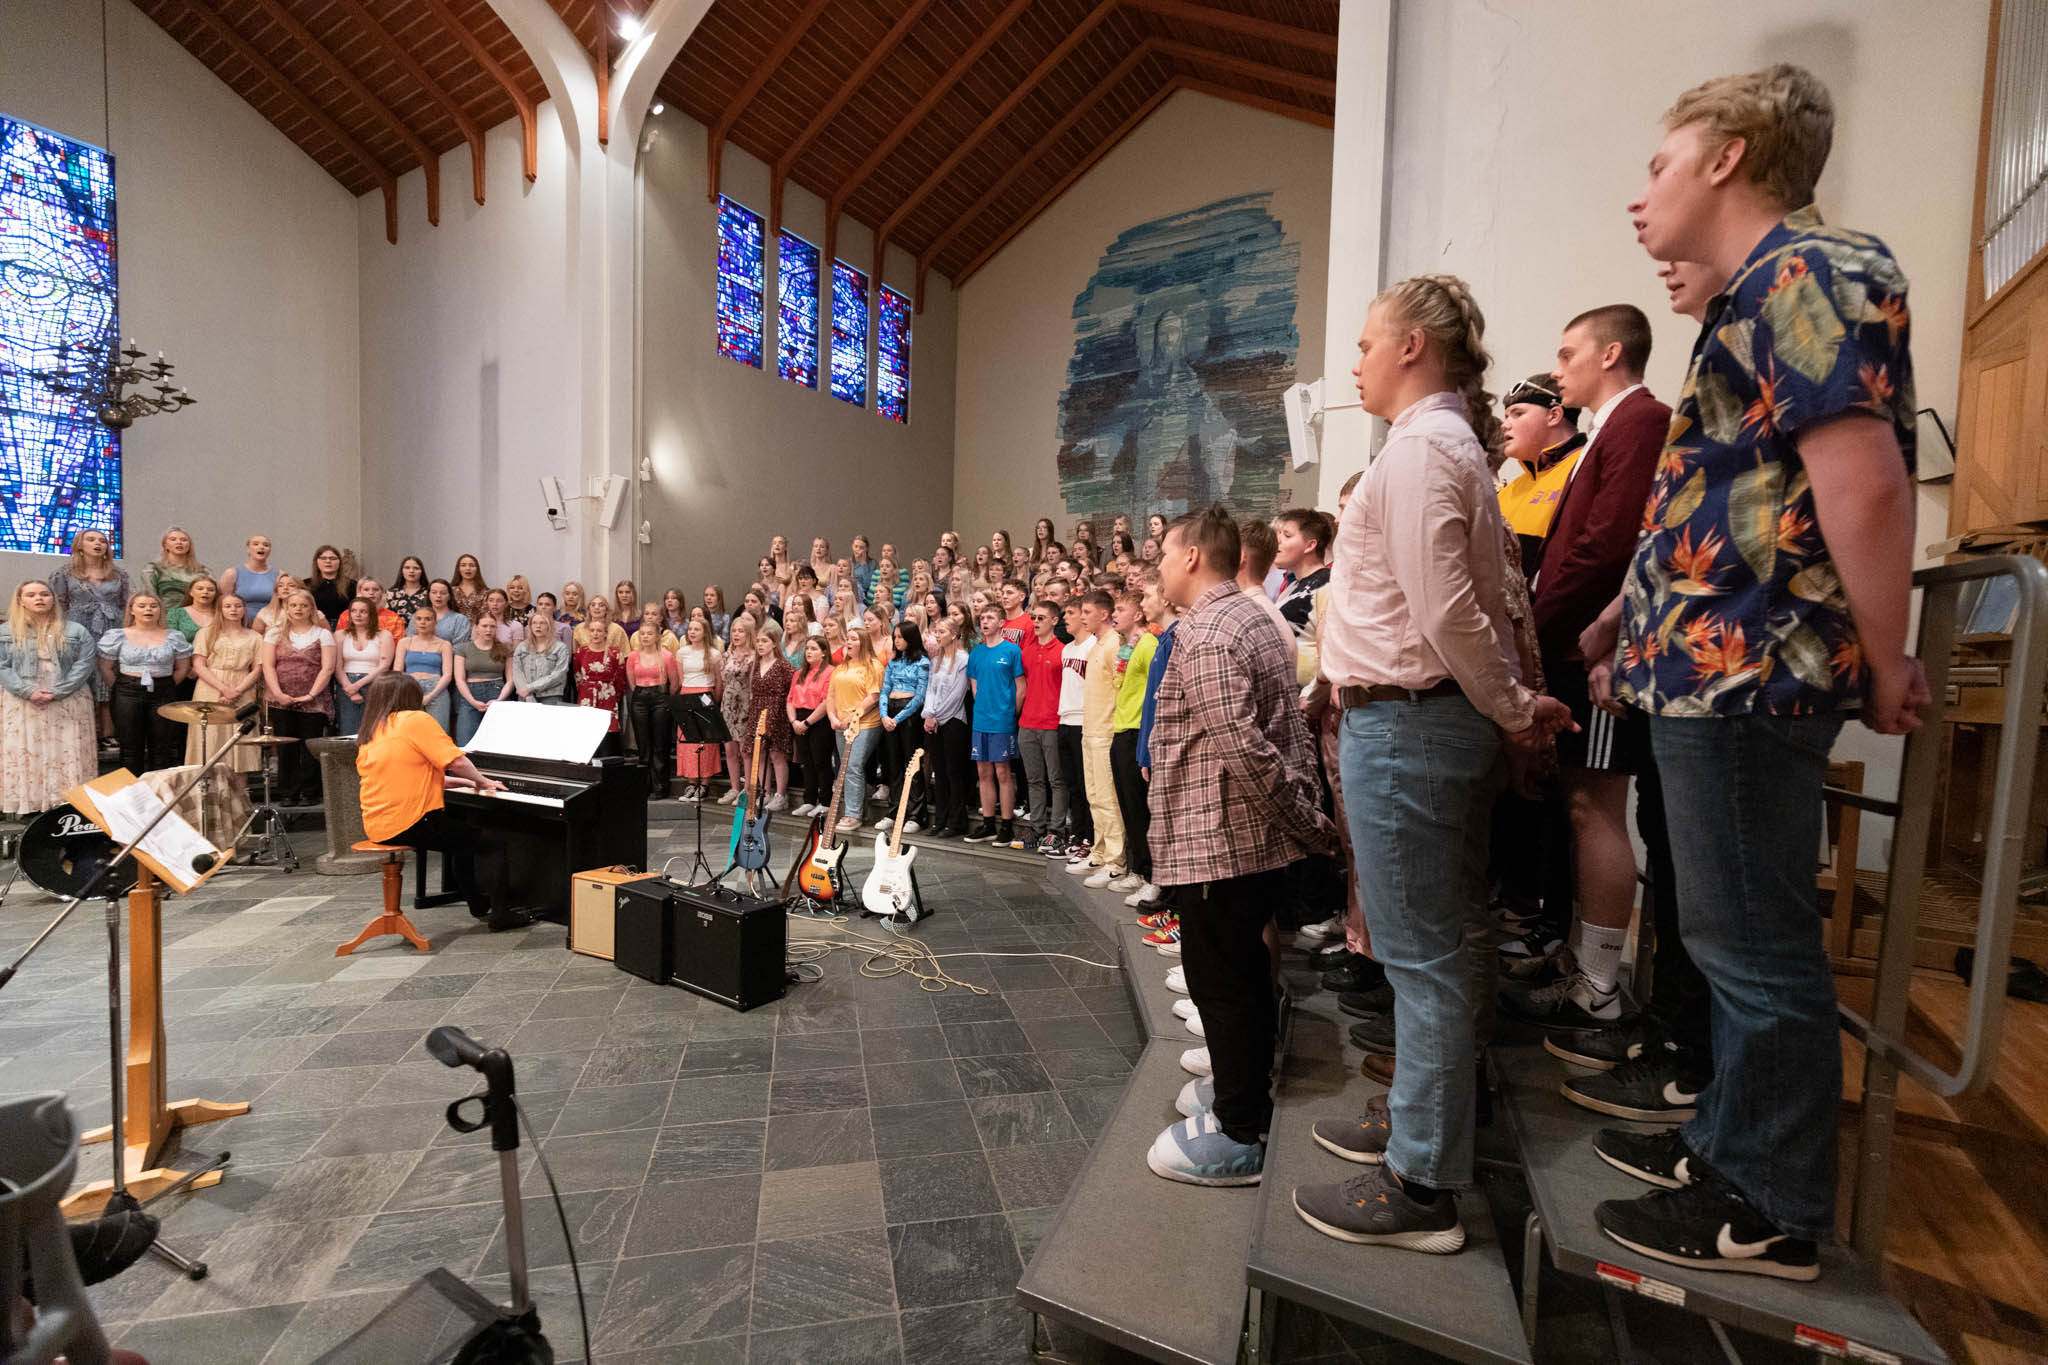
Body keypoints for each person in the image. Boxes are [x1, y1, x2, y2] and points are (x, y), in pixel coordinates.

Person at [1578, 65, 1924, 1281]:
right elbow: (1734, 493)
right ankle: (1729, 1144)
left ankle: (1768, 1206)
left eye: (1658, 165)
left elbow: (1861, 482)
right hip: (1710, 667)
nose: (1639, 196)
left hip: (1750, 669)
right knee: (1724, 937)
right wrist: (1626, 617)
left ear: (1726, 157)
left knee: (1754, 946)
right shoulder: (1757, 292)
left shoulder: (1810, 270)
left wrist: (1886, 656)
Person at [1293, 275, 1573, 1250]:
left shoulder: (1420, 451)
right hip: (1425, 722)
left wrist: (1514, 708)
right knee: (1443, 941)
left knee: (1423, 958)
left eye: (1367, 344)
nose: (1355, 363)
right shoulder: (1449, 448)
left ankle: (1421, 1184)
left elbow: (1449, 612)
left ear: (1413, 344)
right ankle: (1429, 1119)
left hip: (1409, 724)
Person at [1144, 506, 1337, 1187]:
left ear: (1192, 556)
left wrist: (1306, 824)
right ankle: (1239, 1086)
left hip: (1219, 837)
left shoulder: (1210, 631)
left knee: (1221, 980)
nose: (1158, 566)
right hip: (1237, 837)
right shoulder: (1250, 616)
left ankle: (1239, 1129)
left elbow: (1246, 750)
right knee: (1241, 973)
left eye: (1164, 554)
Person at [1506, 306, 1673, 1031]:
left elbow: (1609, 544)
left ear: (1610, 353)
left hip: (1591, 645)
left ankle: (1601, 981)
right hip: (1576, 640)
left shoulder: (1640, 419)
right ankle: (1580, 956)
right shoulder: (1611, 427)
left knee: (1595, 805)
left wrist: (1538, 627)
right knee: (1577, 804)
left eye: (1568, 353)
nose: (1558, 368)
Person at [354, 673, 534, 931]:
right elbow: (457, 761)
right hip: (411, 820)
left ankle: (478, 904)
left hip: (379, 824)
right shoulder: (414, 720)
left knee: (461, 842)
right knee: (491, 843)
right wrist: (483, 781)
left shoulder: (374, 730)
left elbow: (417, 776)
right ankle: (501, 914)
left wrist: (469, 782)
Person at [0, 580, 99, 816]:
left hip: (68, 698)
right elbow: (2, 666)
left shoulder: (76, 630)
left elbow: (85, 664)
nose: (39, 598)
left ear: (53, 598)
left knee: (67, 748)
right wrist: (27, 691)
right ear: (20, 600)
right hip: (22, 699)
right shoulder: (6, 631)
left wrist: (59, 691)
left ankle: (67, 801)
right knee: (27, 748)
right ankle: (31, 803)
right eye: (31, 595)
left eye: (44, 594)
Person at [1109, 574, 1167, 901]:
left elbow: (1156, 691)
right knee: (1128, 808)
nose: (1115, 614)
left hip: (1136, 731)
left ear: (1139, 614)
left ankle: (1151, 875)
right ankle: (1138, 868)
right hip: (1122, 728)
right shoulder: (1129, 646)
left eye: (1121, 609)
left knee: (1140, 809)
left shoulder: (1148, 644)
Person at [1495, 375, 1586, 575]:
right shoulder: (1508, 492)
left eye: (1518, 414)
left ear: (1554, 415)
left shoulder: (1586, 470)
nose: (1505, 424)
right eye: (1506, 416)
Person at [51, 527, 131, 746]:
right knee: (82, 674)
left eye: (102, 541)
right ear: (80, 545)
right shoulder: (64, 573)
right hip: (78, 627)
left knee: (107, 675)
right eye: (92, 540)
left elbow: (126, 604)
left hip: (111, 627)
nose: (98, 544)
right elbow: (58, 604)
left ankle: (108, 732)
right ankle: (85, 731)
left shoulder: (119, 574)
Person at [97, 593, 192, 776]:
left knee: (162, 746)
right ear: (132, 610)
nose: (148, 609)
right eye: (142, 606)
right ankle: (133, 790)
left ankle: (159, 789)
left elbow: (183, 668)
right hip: (127, 692)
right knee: (130, 747)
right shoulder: (118, 635)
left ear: (160, 610)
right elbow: (106, 668)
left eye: (153, 606)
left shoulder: (174, 636)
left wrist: (166, 685)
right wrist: (124, 686)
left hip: (164, 691)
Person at [260, 589, 336, 804]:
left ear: (312, 608)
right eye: (293, 605)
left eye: (303, 605)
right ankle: (288, 792)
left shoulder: (323, 634)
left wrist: (311, 694)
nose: (298, 609)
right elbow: (268, 666)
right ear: (286, 608)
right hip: (281, 700)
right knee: (286, 747)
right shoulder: (274, 633)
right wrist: (278, 694)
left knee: (310, 746)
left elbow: (328, 668)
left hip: (314, 700)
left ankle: (310, 792)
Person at [1069, 589, 1125, 881]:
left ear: (1104, 614)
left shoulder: (1115, 643)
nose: (1082, 618)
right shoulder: (1095, 645)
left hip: (1105, 731)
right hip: (1089, 729)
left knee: (1107, 798)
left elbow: (1120, 688)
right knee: (1094, 796)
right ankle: (1099, 853)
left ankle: (1115, 862)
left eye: (1087, 612)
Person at [963, 604, 1025, 846]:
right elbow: (975, 687)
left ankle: (1006, 825)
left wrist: (1010, 713)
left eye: (990, 618)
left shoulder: (1011, 651)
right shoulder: (977, 653)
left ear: (1001, 622)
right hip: (981, 719)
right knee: (983, 772)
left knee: (1003, 772)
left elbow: (1020, 687)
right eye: (982, 618)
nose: (985, 621)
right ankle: (988, 823)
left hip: (1003, 720)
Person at [186, 594, 263, 771]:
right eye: (228, 606)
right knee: (210, 735)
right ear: (220, 609)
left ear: (244, 609)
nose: (233, 610)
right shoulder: (206, 633)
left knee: (240, 736)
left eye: (238, 606)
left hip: (242, 686)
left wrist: (237, 691)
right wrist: (224, 689)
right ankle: (208, 783)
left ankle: (239, 785)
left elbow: (257, 669)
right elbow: (199, 665)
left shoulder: (255, 637)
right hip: (210, 686)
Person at [1016, 599, 1068, 855]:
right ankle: (1037, 829)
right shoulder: (1026, 650)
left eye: (1041, 618)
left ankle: (1056, 832)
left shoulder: (1063, 651)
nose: (1035, 622)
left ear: (1054, 621)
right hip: (1027, 722)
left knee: (1056, 780)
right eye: (1034, 618)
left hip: (1053, 722)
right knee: (1034, 779)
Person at [826, 627, 882, 833]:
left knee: (853, 765)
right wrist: (833, 718)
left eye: (853, 639)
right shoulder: (840, 668)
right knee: (846, 767)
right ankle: (858, 809)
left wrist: (851, 718)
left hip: (865, 723)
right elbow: (830, 696)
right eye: (847, 639)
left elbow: (873, 697)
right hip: (840, 724)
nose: (848, 642)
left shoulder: (873, 666)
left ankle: (853, 814)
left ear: (863, 643)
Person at [921, 616, 973, 838]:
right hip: (935, 722)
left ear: (953, 634)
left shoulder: (963, 660)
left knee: (954, 772)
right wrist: (928, 715)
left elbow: (957, 694)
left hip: (954, 721)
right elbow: (930, 690)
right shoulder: (936, 661)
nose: (937, 636)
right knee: (939, 772)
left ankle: (956, 820)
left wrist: (937, 716)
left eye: (941, 632)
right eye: (936, 632)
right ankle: (940, 819)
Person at [877, 622, 930, 832]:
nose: (896, 640)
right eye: (895, 637)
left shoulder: (923, 662)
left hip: (909, 715)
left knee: (912, 764)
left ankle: (917, 814)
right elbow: (884, 690)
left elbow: (920, 696)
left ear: (910, 638)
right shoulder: (893, 662)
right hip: (890, 710)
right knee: (894, 765)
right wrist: (884, 715)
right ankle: (895, 810)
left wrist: (898, 718)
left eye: (900, 636)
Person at [1055, 598, 1096, 863]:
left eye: (1070, 613)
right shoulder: (1067, 649)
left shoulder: (1094, 646)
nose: (1065, 618)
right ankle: (1078, 834)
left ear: (1083, 616)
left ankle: (1090, 838)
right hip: (1065, 719)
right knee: (1072, 784)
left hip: (1084, 720)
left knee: (1085, 785)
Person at [625, 620, 679, 798]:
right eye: (642, 634)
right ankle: (645, 785)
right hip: (640, 698)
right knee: (643, 744)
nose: (645, 637)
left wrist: (662, 697)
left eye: (649, 633)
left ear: (657, 636)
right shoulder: (633, 656)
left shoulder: (667, 656)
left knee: (660, 744)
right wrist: (642, 693)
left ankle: (661, 786)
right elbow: (631, 682)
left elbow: (674, 683)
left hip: (660, 697)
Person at [744, 626, 795, 810]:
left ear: (774, 643)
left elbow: (792, 689)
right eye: (758, 641)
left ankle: (781, 795)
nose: (760, 645)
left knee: (776, 754)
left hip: (777, 712)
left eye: (764, 641)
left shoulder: (783, 666)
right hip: (757, 710)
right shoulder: (755, 665)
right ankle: (765, 792)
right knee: (759, 753)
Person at [673, 616, 723, 799]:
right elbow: (681, 679)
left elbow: (718, 681)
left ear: (705, 632)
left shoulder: (714, 654)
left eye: (697, 629)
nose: (692, 632)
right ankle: (691, 782)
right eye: (690, 629)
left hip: (705, 694)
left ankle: (704, 783)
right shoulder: (682, 652)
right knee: (688, 741)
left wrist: (712, 701)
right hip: (687, 693)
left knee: (705, 741)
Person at [787, 635, 836, 816]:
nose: (809, 652)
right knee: (806, 762)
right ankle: (809, 799)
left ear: (824, 652)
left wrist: (807, 723)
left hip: (818, 720)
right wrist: (794, 721)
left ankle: (825, 801)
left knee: (820, 760)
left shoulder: (830, 672)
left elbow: (826, 701)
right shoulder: (799, 674)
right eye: (807, 648)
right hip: (798, 718)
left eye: (814, 649)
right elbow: (790, 699)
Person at [572, 598, 628, 755]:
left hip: (608, 696)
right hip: (586, 696)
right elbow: (577, 675)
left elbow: (620, 678)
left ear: (605, 633)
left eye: (599, 631)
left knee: (607, 734)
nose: (595, 634)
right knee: (588, 733)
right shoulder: (581, 652)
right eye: (592, 631)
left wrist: (612, 694)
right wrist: (585, 691)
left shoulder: (614, 653)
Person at [334, 597, 393, 735]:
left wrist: (357, 685)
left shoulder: (384, 635)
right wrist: (350, 688)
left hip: (374, 683)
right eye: (354, 611)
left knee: (374, 730)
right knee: (348, 730)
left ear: (371, 614)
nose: (358, 615)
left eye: (363, 611)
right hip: (346, 684)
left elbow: (384, 665)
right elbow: (337, 666)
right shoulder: (340, 635)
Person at [716, 614, 757, 804]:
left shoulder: (753, 657)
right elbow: (723, 680)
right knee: (730, 749)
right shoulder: (726, 655)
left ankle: (748, 789)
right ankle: (734, 787)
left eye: (741, 631)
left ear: (748, 634)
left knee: (745, 750)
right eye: (734, 631)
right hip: (728, 704)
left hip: (745, 705)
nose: (736, 634)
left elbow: (753, 683)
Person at [452, 615, 511, 746]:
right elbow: (459, 679)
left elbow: (510, 680)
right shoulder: (463, 649)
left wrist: (499, 700)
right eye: (484, 626)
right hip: (469, 695)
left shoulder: (504, 649)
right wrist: (472, 701)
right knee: (465, 740)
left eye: (492, 626)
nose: (488, 630)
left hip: (497, 693)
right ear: (476, 628)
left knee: (497, 742)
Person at [1272, 509, 1332, 635]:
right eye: (1278, 534)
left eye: (1287, 535)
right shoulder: (1293, 584)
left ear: (1310, 545)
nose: (1277, 540)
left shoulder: (1327, 584)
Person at [400, 606, 456, 733]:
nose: (423, 622)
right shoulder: (405, 642)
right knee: (410, 731)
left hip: (436, 688)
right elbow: (398, 671)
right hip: (410, 687)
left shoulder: (444, 644)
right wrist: (406, 692)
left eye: (427, 619)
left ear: (435, 622)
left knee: (438, 731)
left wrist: (431, 695)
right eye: (419, 619)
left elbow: (447, 674)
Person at [510, 610, 571, 705]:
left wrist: (530, 688)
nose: (538, 626)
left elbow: (559, 674)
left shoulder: (560, 648)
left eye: (542, 623)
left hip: (550, 696)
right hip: (525, 695)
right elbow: (517, 671)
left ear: (549, 626)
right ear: (530, 626)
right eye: (534, 623)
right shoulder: (522, 647)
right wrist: (526, 692)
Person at [144, 527, 207, 614]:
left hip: (194, 617)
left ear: (189, 545)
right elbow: (149, 598)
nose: (179, 542)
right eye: (173, 539)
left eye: (183, 540)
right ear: (165, 545)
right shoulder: (153, 569)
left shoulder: (203, 571)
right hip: (164, 616)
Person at [218, 534, 279, 625]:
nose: (261, 547)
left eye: (266, 545)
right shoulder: (232, 573)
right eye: (256, 544)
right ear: (248, 549)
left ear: (270, 550)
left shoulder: (279, 575)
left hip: (270, 625)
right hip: (241, 624)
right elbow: (222, 603)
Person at [306, 544, 356, 623]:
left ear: (340, 562)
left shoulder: (352, 585)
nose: (328, 561)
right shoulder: (306, 584)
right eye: (323, 558)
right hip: (315, 625)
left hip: (344, 626)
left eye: (333, 558)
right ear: (316, 562)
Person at [167, 574, 220, 645]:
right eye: (200, 589)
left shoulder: (222, 614)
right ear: (191, 592)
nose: (205, 592)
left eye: (211, 590)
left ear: (215, 594)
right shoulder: (176, 613)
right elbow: (170, 640)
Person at [386, 556, 431, 622]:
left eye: (416, 568)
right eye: (407, 568)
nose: (411, 571)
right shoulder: (391, 593)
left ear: (422, 572)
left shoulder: (429, 593)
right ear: (402, 571)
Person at [427, 579, 468, 643]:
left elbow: (460, 646)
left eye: (443, 593)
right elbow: (411, 641)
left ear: (449, 596)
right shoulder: (418, 617)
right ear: (429, 595)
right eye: (434, 592)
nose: (438, 596)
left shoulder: (460, 619)